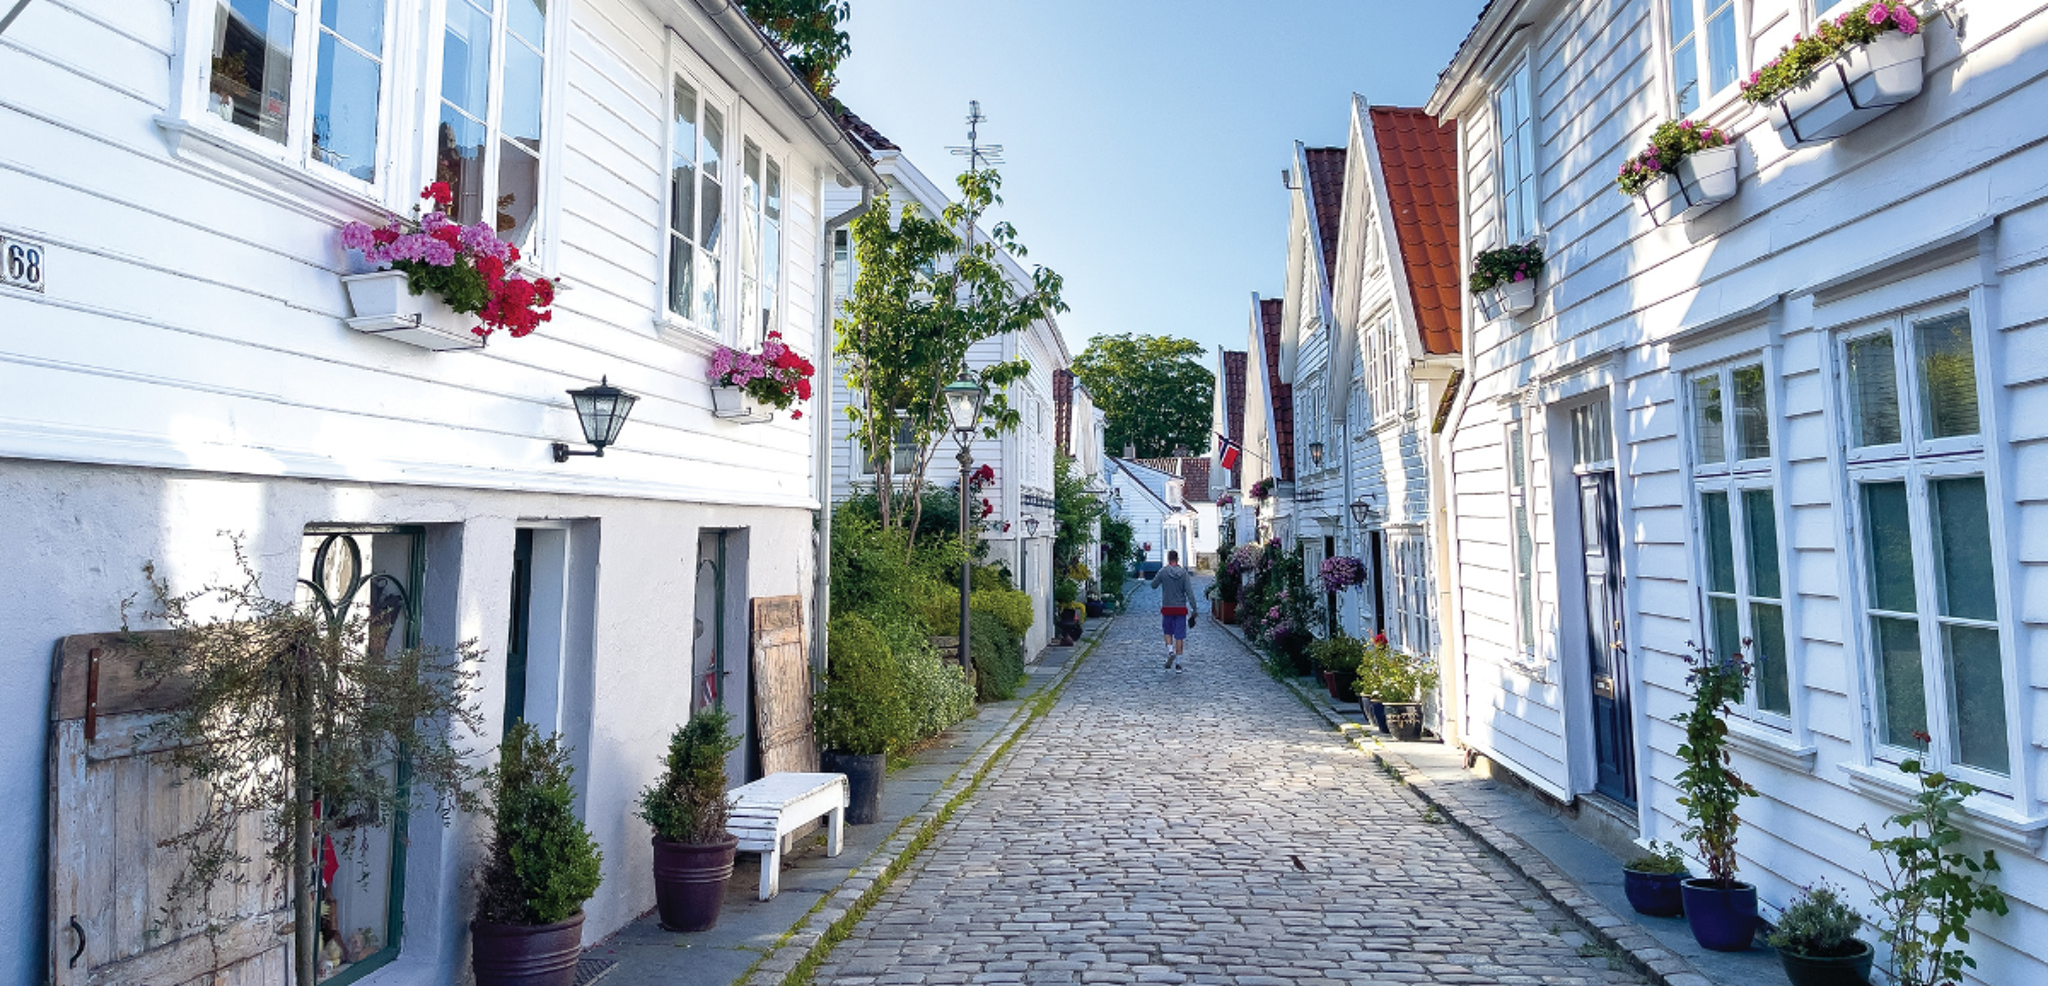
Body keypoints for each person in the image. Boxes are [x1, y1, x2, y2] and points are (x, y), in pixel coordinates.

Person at [1149, 550, 1194, 671]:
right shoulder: (1184, 573)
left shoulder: (1163, 572)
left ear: (1168, 559)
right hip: (1180, 608)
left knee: (1167, 631)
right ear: (1178, 559)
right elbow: (1189, 592)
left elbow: (1153, 585)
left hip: (1167, 607)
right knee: (1180, 636)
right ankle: (1178, 665)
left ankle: (1170, 651)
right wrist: (1194, 608)